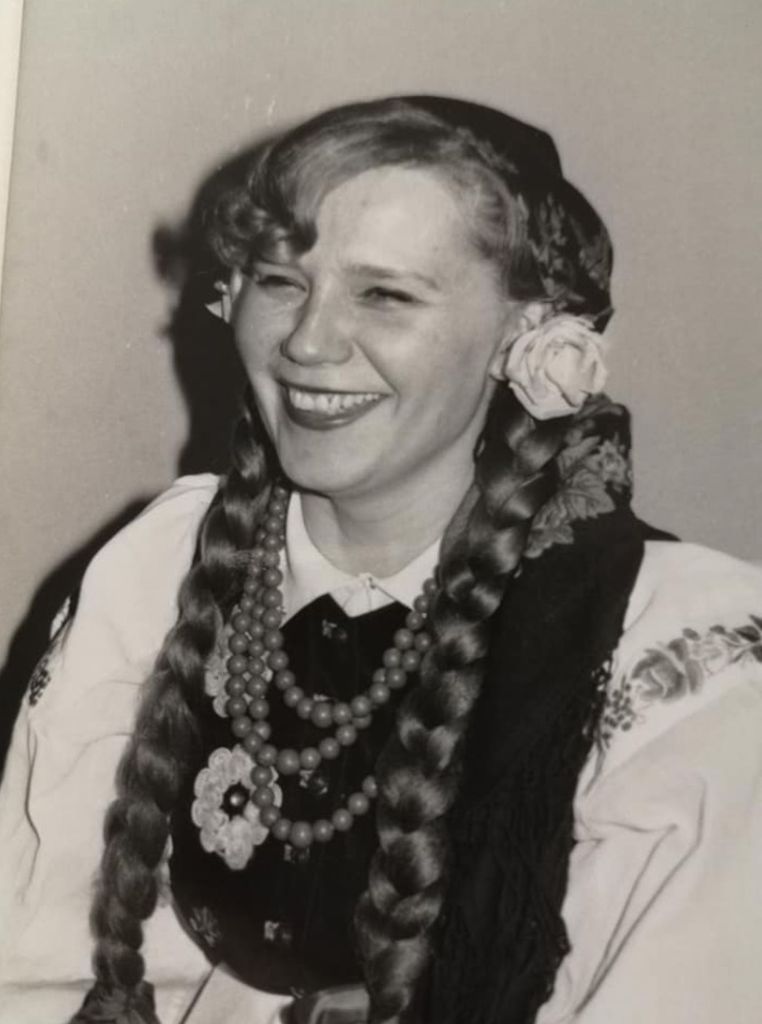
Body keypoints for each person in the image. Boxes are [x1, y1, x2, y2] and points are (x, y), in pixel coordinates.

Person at [0, 96, 761, 1024]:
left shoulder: (669, 653)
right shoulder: (163, 562)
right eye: (281, 280)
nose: (308, 342)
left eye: (385, 295)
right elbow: (35, 961)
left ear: (530, 333)